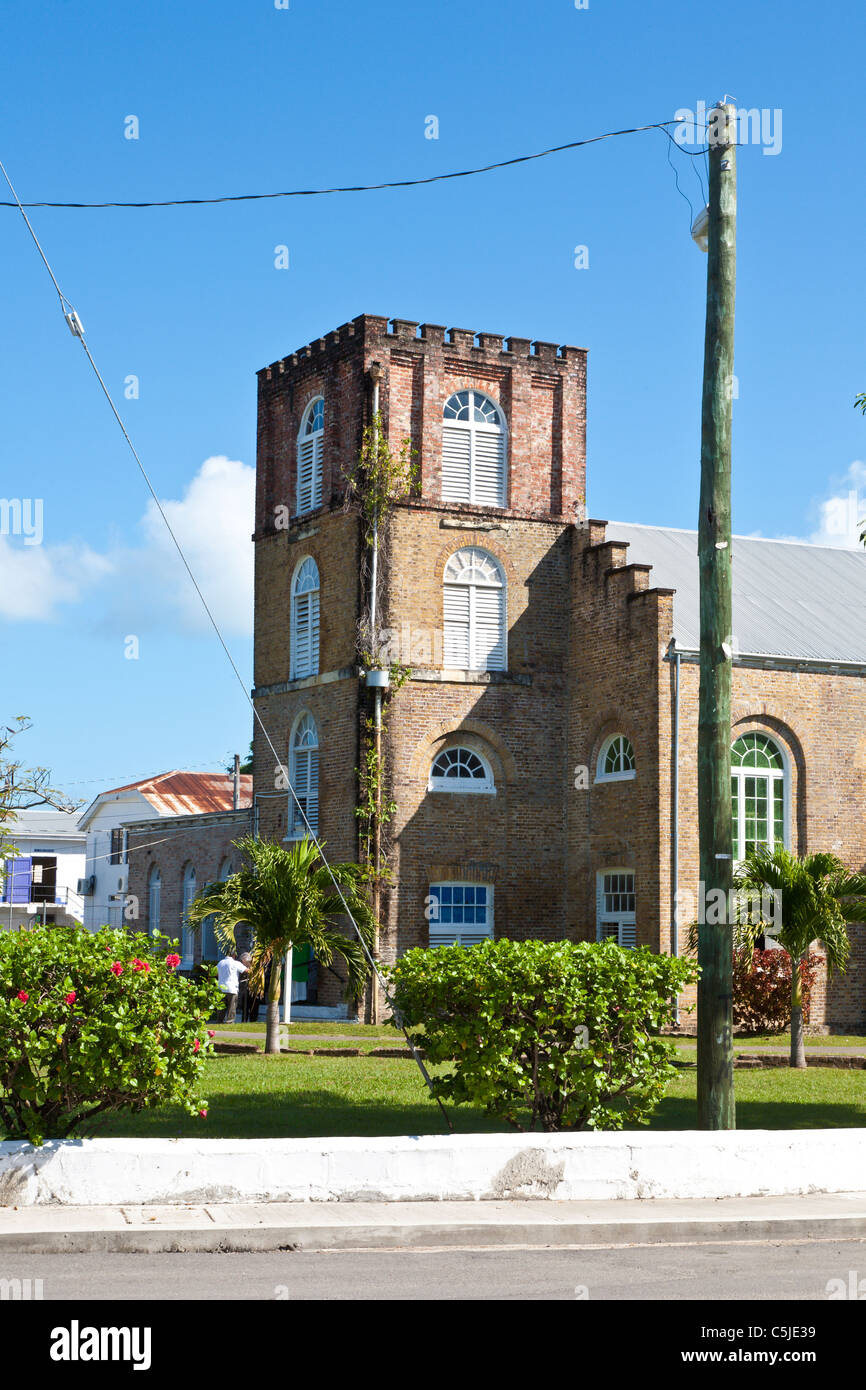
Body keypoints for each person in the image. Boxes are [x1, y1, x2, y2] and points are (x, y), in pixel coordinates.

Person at [216, 951, 248, 1023]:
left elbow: (216, 974)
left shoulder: (220, 963)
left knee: (221, 1007)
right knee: (231, 1007)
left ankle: (219, 1021)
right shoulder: (235, 963)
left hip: (221, 988)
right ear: (234, 955)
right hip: (231, 988)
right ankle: (229, 1022)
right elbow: (247, 971)